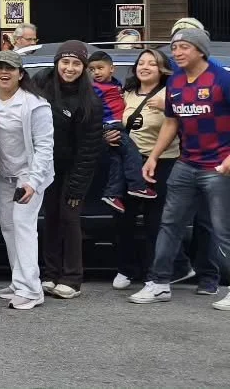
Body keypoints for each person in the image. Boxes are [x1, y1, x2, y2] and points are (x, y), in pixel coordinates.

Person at [130, 27, 230, 311]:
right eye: (174, 48)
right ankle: (159, 283)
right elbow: (172, 122)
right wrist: (153, 156)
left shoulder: (221, 78)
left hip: (219, 166)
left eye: (184, 47)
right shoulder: (174, 82)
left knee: (223, 230)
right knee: (170, 225)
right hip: (186, 164)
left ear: (200, 50)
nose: (177, 53)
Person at [112, 48, 205, 292]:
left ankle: (160, 273)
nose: (144, 67)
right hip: (129, 162)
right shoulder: (127, 92)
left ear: (162, 69)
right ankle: (126, 269)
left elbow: (193, 119)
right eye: (141, 63)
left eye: (151, 64)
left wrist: (169, 104)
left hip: (163, 162)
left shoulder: (173, 92)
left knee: (156, 220)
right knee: (124, 218)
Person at [33, 40, 106, 299]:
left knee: (69, 218)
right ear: (57, 63)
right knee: (50, 219)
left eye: (76, 63)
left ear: (84, 67)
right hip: (45, 167)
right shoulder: (40, 87)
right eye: (65, 62)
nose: (70, 68)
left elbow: (89, 151)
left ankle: (72, 278)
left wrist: (77, 185)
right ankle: (50, 274)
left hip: (74, 169)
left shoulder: (90, 102)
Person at [0, 50, 54, 310]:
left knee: (24, 229)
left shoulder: (35, 104)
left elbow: (45, 147)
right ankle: (18, 281)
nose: (4, 73)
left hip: (29, 177)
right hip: (4, 176)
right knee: (9, 228)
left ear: (20, 74)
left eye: (10, 69)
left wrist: (33, 182)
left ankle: (31, 290)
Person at [89, 50, 154, 212]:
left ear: (112, 69)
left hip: (118, 125)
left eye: (100, 68)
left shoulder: (117, 85)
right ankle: (137, 185)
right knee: (132, 152)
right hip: (111, 125)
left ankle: (112, 194)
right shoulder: (94, 89)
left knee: (117, 161)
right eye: (91, 69)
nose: (96, 72)